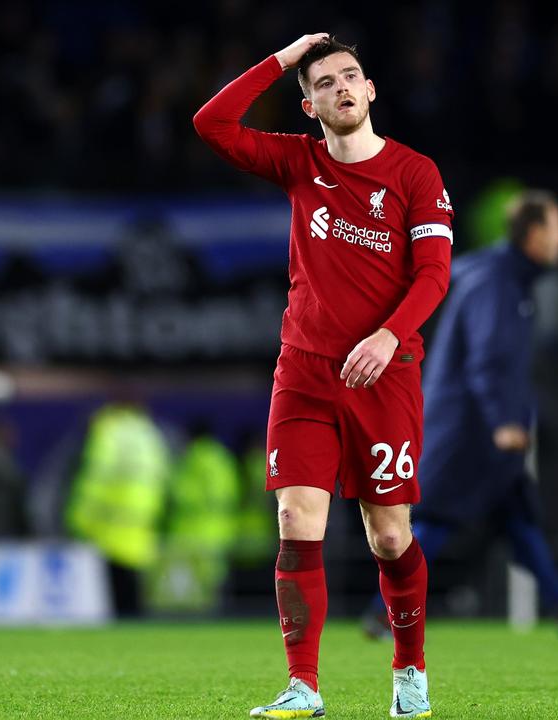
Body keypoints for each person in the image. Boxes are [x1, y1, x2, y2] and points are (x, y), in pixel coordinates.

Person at [195, 34, 454, 719]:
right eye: (325, 81)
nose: (342, 86)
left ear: (369, 91)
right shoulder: (298, 162)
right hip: (304, 372)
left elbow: (433, 275)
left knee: (388, 537)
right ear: (308, 104)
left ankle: (409, 673)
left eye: (352, 76)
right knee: (295, 517)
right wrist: (281, 59)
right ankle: (303, 686)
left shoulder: (415, 174)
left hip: (385, 375)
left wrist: (387, 334)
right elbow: (210, 124)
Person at [364, 191, 558, 641]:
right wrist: (502, 421)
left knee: (518, 518)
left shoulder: (498, 275)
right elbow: (486, 359)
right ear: (534, 234)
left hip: (476, 427)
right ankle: (381, 612)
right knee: (436, 523)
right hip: (472, 432)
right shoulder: (498, 283)